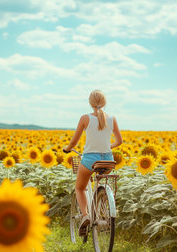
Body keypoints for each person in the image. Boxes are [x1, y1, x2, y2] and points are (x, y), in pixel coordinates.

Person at [63, 89, 123, 236]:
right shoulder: (112, 118)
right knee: (98, 179)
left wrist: (67, 149)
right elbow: (119, 141)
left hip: (90, 159)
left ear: (90, 103)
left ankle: (85, 216)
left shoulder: (85, 118)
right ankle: (100, 201)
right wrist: (108, 147)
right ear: (105, 102)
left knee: (80, 188)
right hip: (108, 160)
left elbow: (74, 141)